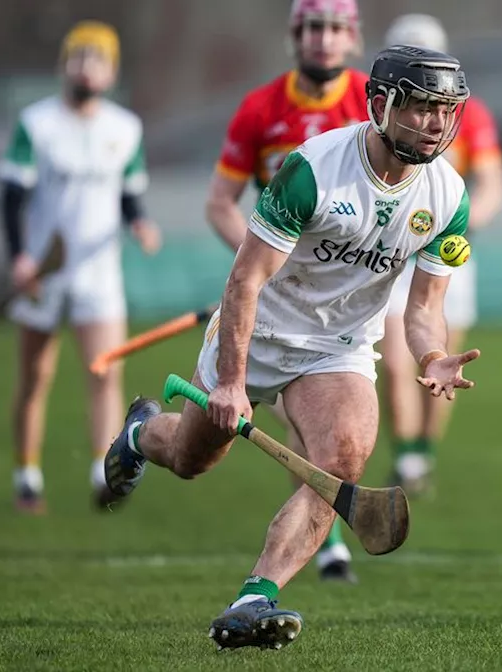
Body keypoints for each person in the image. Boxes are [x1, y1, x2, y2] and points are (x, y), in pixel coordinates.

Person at [103, 45, 478, 651]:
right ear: (382, 105)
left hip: (340, 348)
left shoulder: (447, 197)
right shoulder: (315, 170)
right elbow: (245, 280)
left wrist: (432, 355)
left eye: (446, 111)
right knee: (194, 458)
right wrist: (230, 381)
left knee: (343, 459)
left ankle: (256, 596)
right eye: (423, 108)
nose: (436, 124)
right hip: (259, 332)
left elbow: (425, 310)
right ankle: (144, 433)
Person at [204, 0, 369, 584]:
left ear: (352, 39)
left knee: (334, 428)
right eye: (313, 28)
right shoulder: (260, 109)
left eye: (335, 29)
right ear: (295, 36)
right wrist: (255, 267)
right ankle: (146, 438)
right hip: (274, 295)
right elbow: (221, 202)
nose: (324, 41)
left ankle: (320, 546)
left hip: (347, 297)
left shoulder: (376, 102)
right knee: (197, 454)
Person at [0, 20, 160, 515]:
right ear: (63, 64)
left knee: (105, 371)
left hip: (98, 272)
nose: (86, 67)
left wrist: (141, 224)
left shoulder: (125, 128)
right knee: (34, 378)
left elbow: (130, 194)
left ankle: (101, 470)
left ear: (111, 72)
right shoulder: (36, 123)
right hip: (45, 272)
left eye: (98, 59)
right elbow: (12, 197)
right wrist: (19, 258)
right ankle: (27, 475)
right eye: (78, 57)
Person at [377, 13, 502, 496]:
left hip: (445, 251)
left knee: (443, 357)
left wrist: (469, 221)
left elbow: (492, 179)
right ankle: (406, 455)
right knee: (394, 360)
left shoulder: (469, 114)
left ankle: (422, 456)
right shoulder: (378, 112)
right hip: (391, 248)